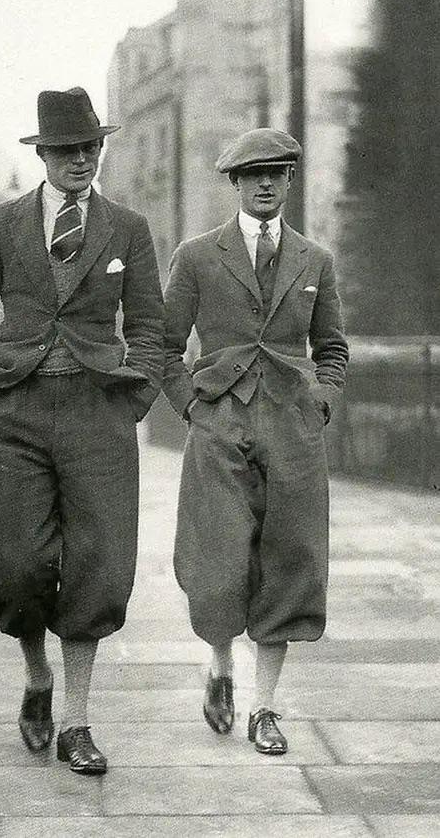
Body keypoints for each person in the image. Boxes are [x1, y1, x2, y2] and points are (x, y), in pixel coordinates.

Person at [0, 87, 164, 775]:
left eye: (90, 148)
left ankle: (76, 719)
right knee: (11, 563)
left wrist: (131, 402)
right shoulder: (1, 223)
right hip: (13, 409)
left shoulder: (127, 228)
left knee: (99, 567)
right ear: (42, 154)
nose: (80, 161)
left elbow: (153, 330)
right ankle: (36, 675)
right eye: (67, 150)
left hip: (98, 413)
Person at [163, 128, 348, 755]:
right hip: (219, 425)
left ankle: (264, 707)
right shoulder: (196, 256)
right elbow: (164, 345)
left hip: (293, 432)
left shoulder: (314, 260)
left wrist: (320, 395)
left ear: (290, 180)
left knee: (291, 561)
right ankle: (220, 668)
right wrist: (190, 404)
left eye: (276, 173)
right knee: (217, 559)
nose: (265, 183)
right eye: (252, 175)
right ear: (235, 184)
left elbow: (333, 347)